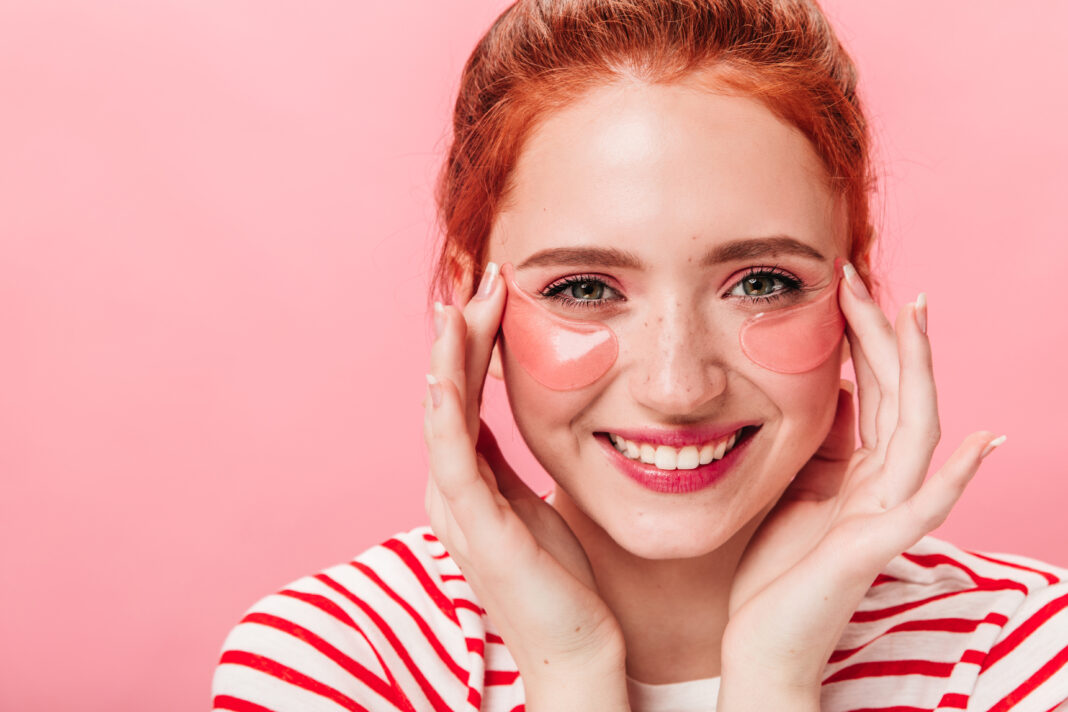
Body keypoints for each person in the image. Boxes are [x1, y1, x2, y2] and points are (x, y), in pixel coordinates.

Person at [211, 1, 1068, 710]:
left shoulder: (1022, 652)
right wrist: (569, 669)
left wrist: (775, 676)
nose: (677, 386)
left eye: (761, 281)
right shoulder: (342, 658)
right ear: (473, 308)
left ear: (855, 288)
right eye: (585, 288)